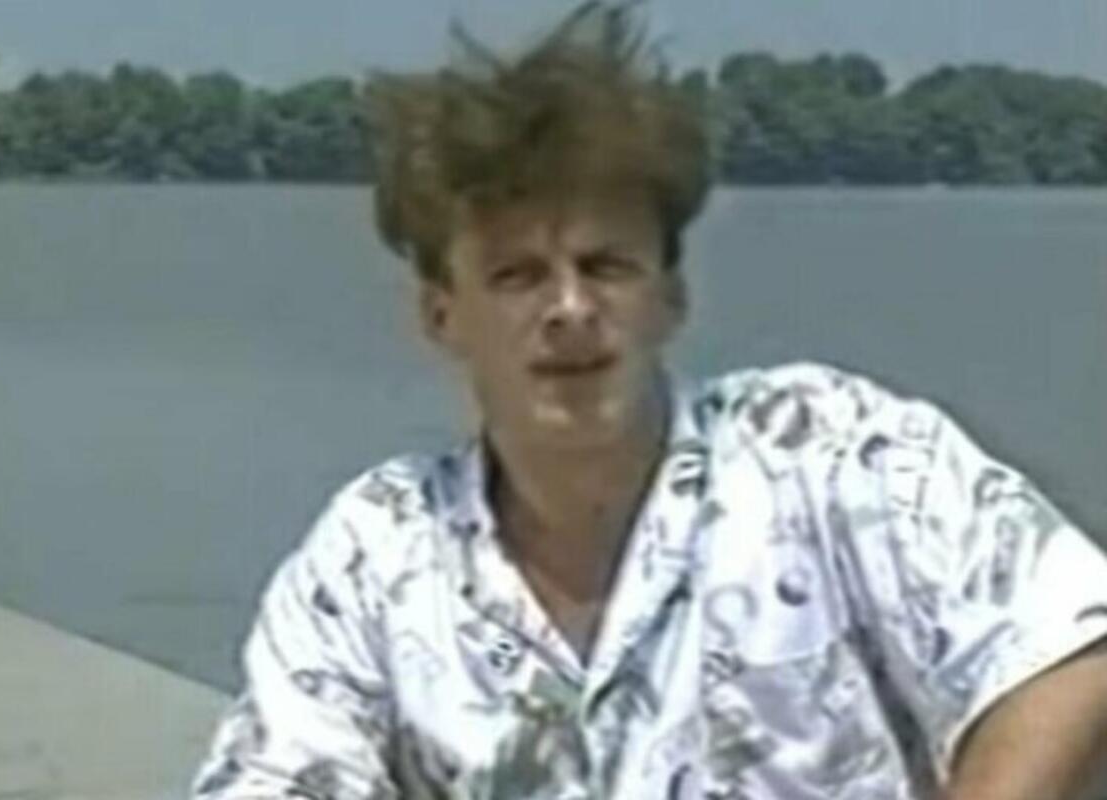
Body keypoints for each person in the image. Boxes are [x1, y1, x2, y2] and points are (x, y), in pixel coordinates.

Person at [191, 4, 1107, 798]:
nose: (570, 309)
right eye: (517, 276)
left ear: (671, 295)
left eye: (606, 265)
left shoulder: (828, 451)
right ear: (442, 316)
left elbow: (1070, 645)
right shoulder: (374, 556)